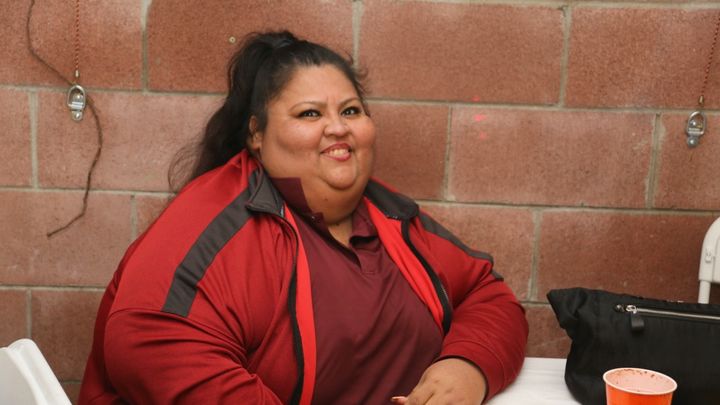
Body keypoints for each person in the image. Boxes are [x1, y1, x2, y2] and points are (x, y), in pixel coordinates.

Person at [79, 30, 528, 404]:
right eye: (310, 113)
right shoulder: (211, 225)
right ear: (256, 134)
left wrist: (467, 367)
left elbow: (487, 295)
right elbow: (147, 341)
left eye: (351, 110)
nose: (338, 127)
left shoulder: (388, 215)